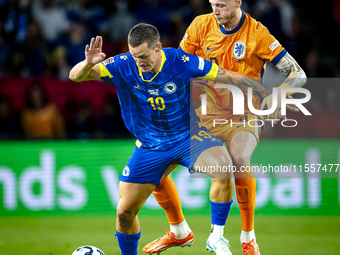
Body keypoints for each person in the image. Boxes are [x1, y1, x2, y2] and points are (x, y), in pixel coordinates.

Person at [69, 23, 276, 255]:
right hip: (150, 145)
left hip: (188, 136)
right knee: (124, 212)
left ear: (158, 48)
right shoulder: (123, 64)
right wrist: (88, 63)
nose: (139, 62)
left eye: (144, 56)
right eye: (135, 56)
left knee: (224, 168)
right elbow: (75, 77)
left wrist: (263, 92)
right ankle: (170, 236)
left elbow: (225, 75)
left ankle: (216, 237)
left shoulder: (180, 61)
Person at [143, 1, 307, 255]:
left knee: (239, 157)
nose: (215, 10)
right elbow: (176, 65)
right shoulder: (200, 25)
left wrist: (280, 94)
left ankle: (247, 238)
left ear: (237, 2)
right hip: (204, 115)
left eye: (221, 5)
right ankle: (178, 231)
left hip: (245, 114)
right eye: (212, 4)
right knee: (155, 170)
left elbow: (297, 73)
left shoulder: (257, 33)